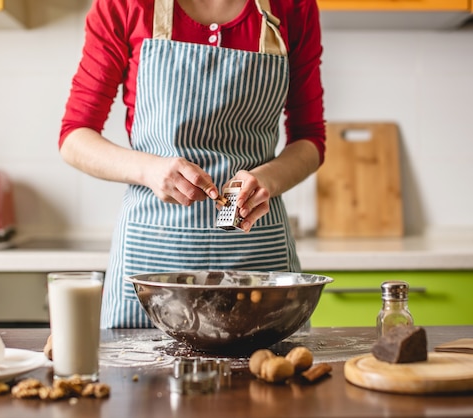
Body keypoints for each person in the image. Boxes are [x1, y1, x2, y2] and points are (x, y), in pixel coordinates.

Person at [59, 0, 326, 328]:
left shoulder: (292, 8)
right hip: (153, 261)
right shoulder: (126, 5)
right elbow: (75, 137)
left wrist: (267, 179)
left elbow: (310, 138)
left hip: (256, 259)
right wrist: (150, 170)